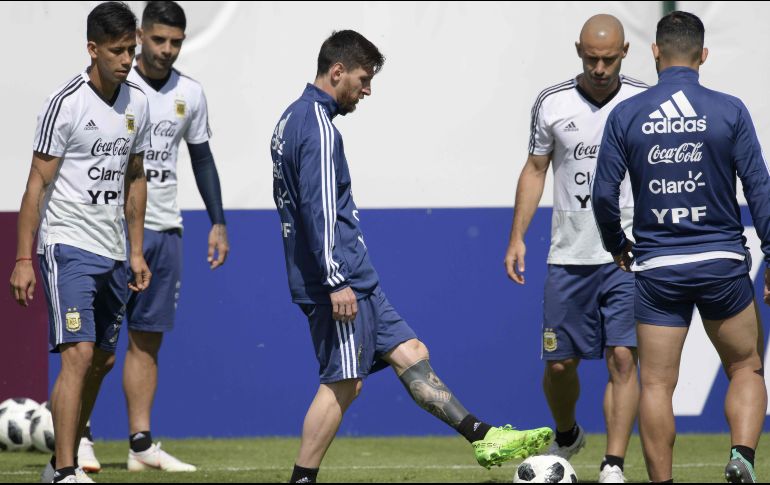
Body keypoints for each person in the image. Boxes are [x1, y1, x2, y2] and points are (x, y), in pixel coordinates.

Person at [271, 29, 553, 484]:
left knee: (411, 352)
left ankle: (481, 436)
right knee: (344, 382)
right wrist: (335, 279)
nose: (367, 90)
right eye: (363, 79)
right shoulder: (318, 127)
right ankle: (302, 480)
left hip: (356, 278)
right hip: (338, 280)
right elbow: (316, 210)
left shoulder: (291, 118)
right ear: (337, 71)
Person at [592, 11, 770, 483]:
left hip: (658, 268)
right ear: (703, 55)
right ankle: (742, 457)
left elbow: (603, 194)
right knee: (746, 367)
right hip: (722, 264)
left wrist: (616, 244)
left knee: (655, 383)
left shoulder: (627, 114)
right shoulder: (729, 110)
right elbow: (759, 188)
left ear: (654, 52)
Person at [79, 1, 228, 473]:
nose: (166, 49)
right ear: (140, 36)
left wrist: (218, 221)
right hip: (113, 230)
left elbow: (202, 158)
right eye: (158, 39)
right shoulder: (116, 85)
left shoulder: (191, 93)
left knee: (146, 342)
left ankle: (140, 445)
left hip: (166, 230)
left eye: (176, 42)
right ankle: (78, 435)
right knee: (96, 348)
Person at [8, 2, 152, 482]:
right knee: (79, 354)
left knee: (103, 360)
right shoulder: (65, 103)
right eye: (117, 51)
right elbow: (36, 183)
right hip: (67, 245)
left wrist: (135, 250)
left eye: (130, 50)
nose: (126, 60)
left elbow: (135, 176)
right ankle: (67, 470)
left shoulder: (137, 103)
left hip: (114, 250)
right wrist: (23, 257)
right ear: (93, 49)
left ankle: (56, 467)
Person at [503, 14, 646, 483]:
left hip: (627, 256)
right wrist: (517, 237)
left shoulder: (645, 101)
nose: (600, 68)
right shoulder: (552, 102)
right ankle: (567, 433)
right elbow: (535, 169)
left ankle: (613, 464)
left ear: (625, 53)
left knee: (622, 358)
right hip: (569, 256)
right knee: (561, 364)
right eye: (591, 58)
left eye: (609, 59)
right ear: (579, 51)